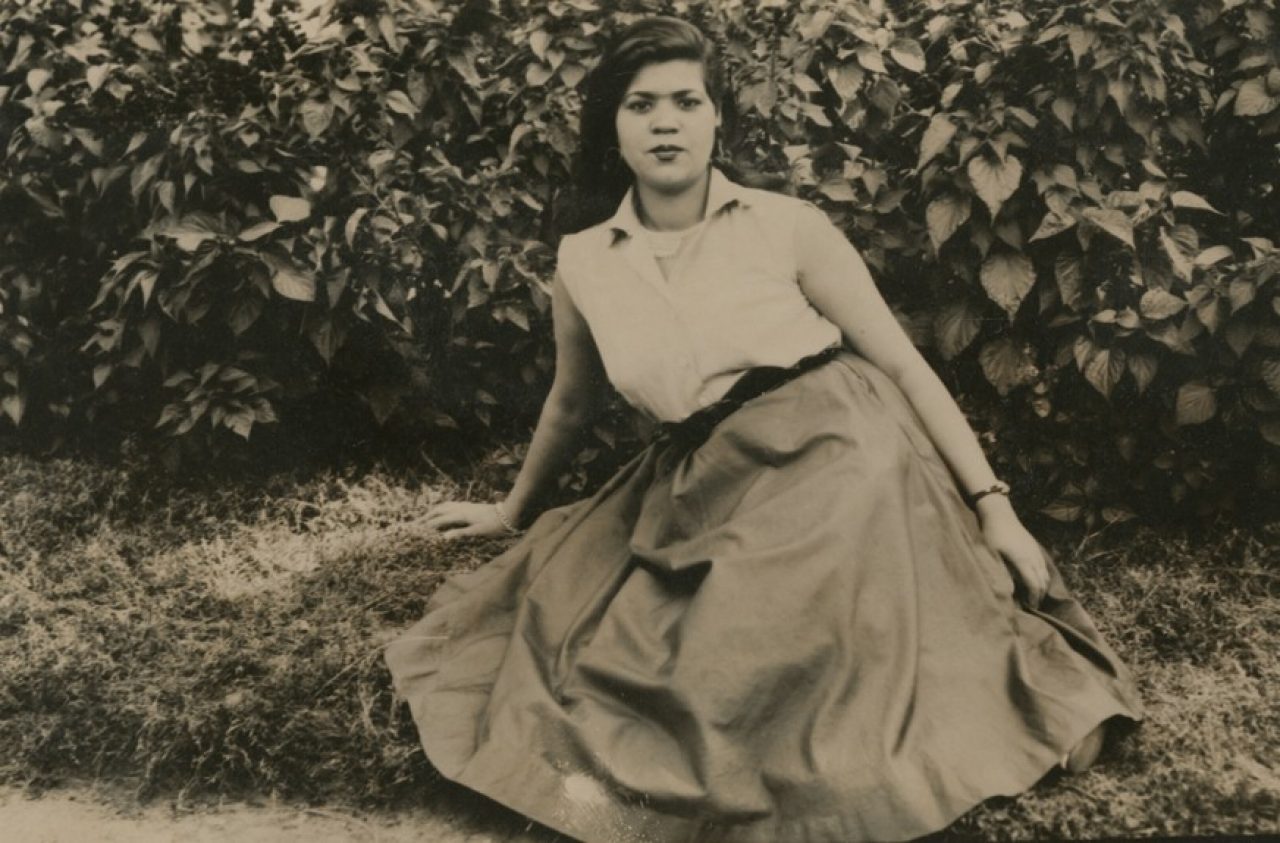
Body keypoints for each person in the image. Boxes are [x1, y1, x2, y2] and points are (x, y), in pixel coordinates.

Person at [386, 16, 1142, 843]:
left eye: (687, 101)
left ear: (718, 118)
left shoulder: (786, 225)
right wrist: (511, 510)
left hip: (836, 439)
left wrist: (993, 504)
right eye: (641, 104)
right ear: (611, 126)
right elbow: (572, 401)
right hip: (701, 472)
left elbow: (902, 364)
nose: (666, 123)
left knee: (766, 641)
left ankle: (994, 721)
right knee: (618, 658)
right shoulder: (585, 260)